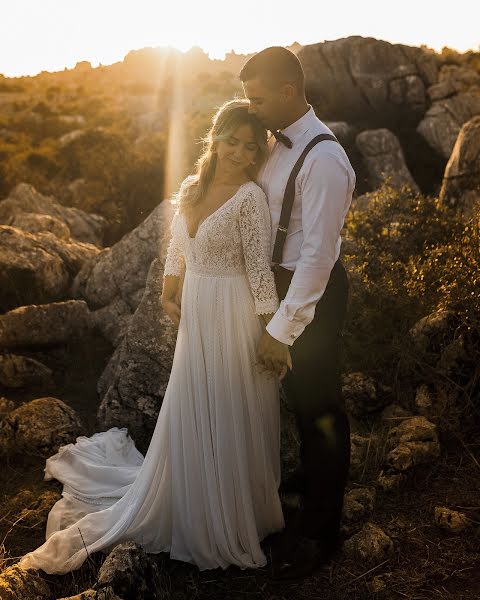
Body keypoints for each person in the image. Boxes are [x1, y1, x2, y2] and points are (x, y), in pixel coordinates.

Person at [17, 99, 290, 575]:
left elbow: (259, 270)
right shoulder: (191, 187)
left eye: (252, 147)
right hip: (197, 311)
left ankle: (231, 512)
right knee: (194, 402)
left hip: (234, 311)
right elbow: (177, 246)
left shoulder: (250, 197)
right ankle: (193, 496)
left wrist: (273, 332)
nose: (242, 153)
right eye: (234, 141)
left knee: (230, 404)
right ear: (217, 136)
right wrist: (169, 292)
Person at [240, 47, 356, 581]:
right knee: (297, 401)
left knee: (321, 409)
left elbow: (318, 257)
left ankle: (319, 533)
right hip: (277, 285)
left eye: (257, 97)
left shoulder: (326, 159)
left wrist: (283, 330)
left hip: (312, 292)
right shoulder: (273, 144)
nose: (250, 105)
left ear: (289, 91)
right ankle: (305, 491)